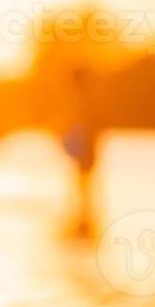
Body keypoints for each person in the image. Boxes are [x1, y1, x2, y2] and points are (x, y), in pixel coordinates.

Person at [61, 66, 101, 237]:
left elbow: (88, 124)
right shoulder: (87, 97)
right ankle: (82, 216)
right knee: (83, 183)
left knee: (83, 183)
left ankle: (83, 216)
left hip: (85, 145)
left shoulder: (83, 99)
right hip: (86, 145)